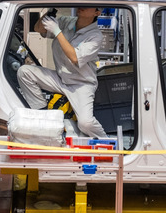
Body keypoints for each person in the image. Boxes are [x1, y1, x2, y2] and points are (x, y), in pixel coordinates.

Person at [17, 7, 107, 138]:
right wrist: (50, 12)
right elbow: (38, 29)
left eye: (88, 6)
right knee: (24, 72)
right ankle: (43, 114)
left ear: (97, 13)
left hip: (81, 84)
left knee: (85, 123)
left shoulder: (95, 36)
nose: (82, 7)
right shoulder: (66, 22)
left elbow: (75, 57)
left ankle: (108, 142)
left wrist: (57, 32)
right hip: (60, 78)